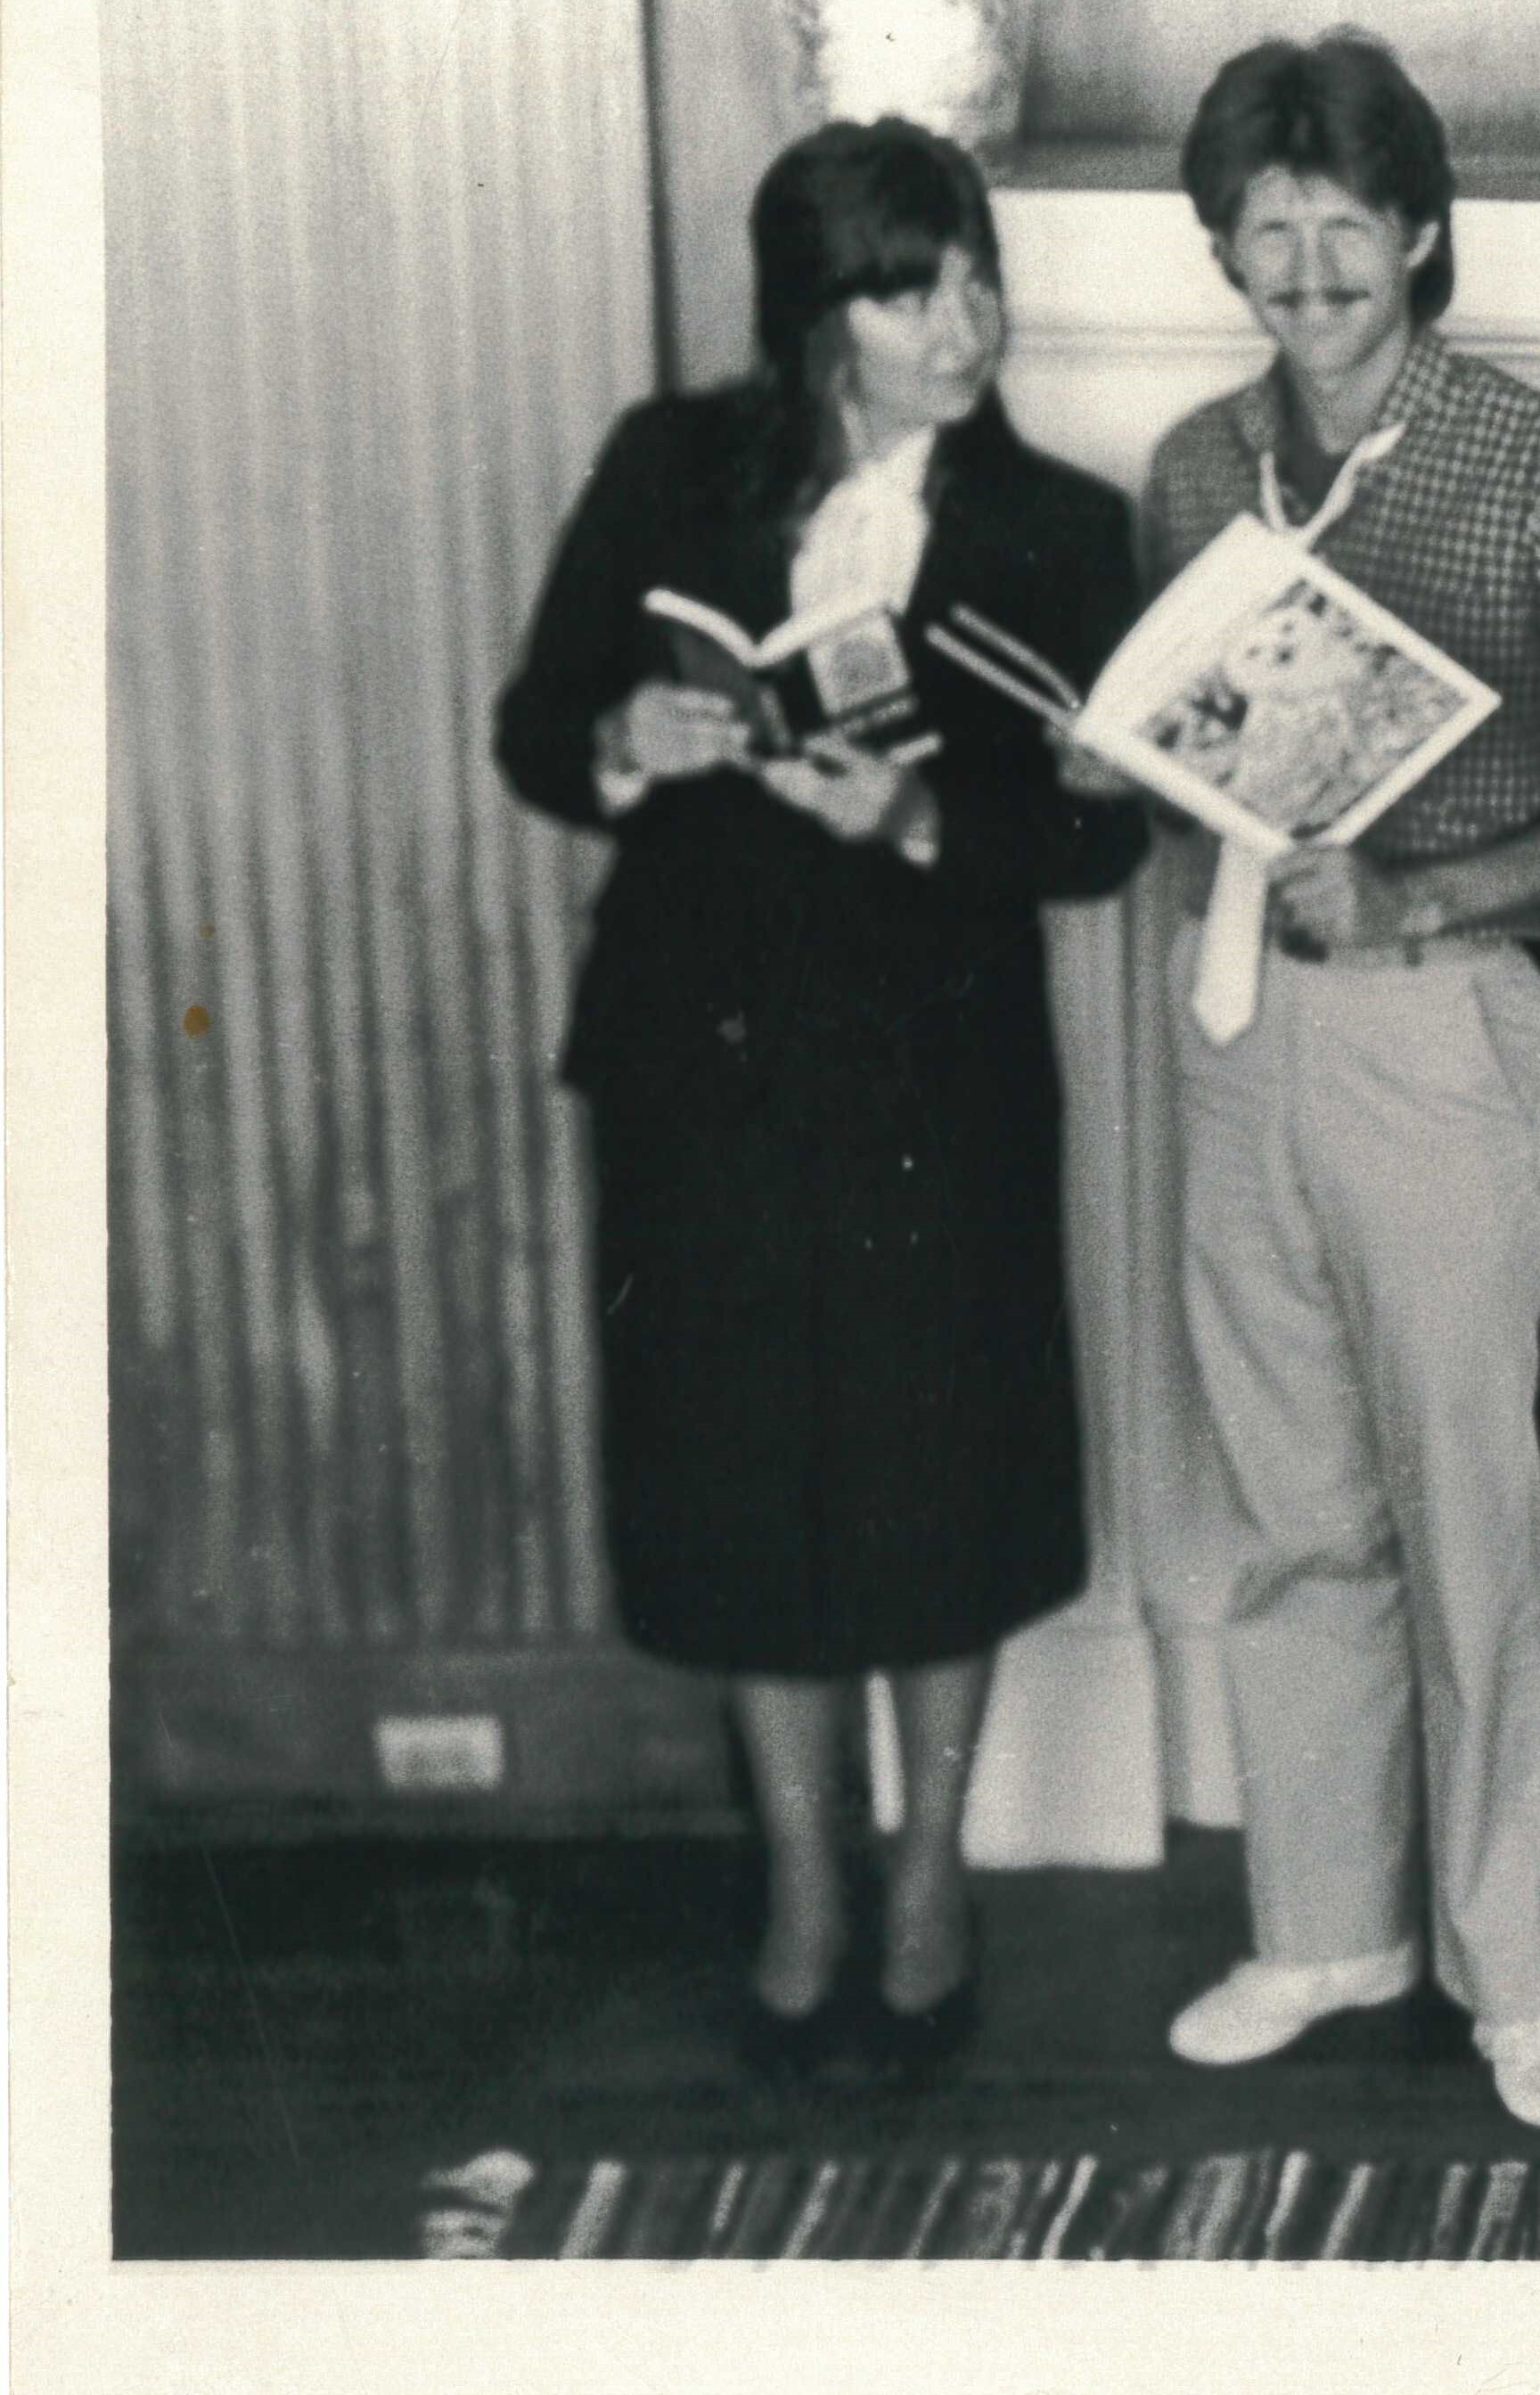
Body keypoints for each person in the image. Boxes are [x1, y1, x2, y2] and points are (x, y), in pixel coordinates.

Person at [495, 119, 1151, 2084]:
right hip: (701, 1070)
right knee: (740, 1485)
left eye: (975, 277)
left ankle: (930, 1882)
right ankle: (803, 1884)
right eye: (910, 287)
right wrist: (628, 730)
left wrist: (929, 812)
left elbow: (1102, 841)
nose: (968, 322)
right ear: (817, 313)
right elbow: (537, 729)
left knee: (932, 1485)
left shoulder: (1057, 523)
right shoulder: (670, 467)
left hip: (929, 1086)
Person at [1142, 32, 1540, 2131]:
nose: (1303, 270)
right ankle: (1322, 1925)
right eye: (1262, 234)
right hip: (1230, 1017)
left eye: (1340, 228)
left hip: (1442, 1021)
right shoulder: (1198, 468)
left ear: (1421, 232)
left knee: (1469, 1517)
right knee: (1294, 1511)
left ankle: (1513, 1968)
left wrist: (1421, 891)